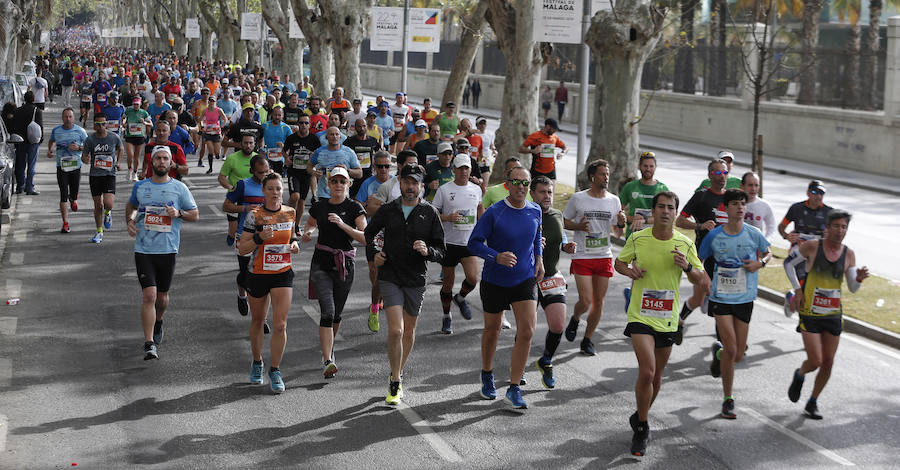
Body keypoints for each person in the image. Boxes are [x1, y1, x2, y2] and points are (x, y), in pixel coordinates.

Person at [614, 191, 707, 456]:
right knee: (647, 372)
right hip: (640, 315)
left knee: (656, 376)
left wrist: (687, 267)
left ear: (676, 213)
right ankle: (642, 427)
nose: (666, 211)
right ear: (653, 212)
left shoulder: (684, 244)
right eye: (661, 207)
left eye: (670, 208)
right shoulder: (638, 238)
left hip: (667, 319)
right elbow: (619, 263)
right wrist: (629, 271)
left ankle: (639, 414)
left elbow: (703, 280)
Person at [365, 164, 445, 405]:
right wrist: (376, 254)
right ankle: (396, 380)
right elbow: (369, 234)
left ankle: (397, 371)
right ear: (399, 183)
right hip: (390, 276)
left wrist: (427, 250)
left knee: (409, 331)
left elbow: (442, 251)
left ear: (422, 186)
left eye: (415, 183)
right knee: (396, 330)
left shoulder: (429, 213)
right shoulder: (389, 210)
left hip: (416, 279)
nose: (410, 187)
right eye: (406, 182)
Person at [468, 165, 543, 411]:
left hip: (524, 279)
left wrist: (539, 260)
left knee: (527, 331)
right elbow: (474, 244)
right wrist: (495, 256)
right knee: (493, 330)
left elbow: (536, 238)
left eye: (525, 183)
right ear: (507, 185)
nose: (521, 187)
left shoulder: (535, 210)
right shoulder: (494, 212)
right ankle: (487, 373)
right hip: (495, 279)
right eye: (516, 182)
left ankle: (514, 387)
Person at [786, 209, 868, 420]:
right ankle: (800, 374)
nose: (840, 231)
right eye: (836, 226)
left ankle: (813, 401)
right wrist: (797, 289)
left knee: (828, 362)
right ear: (827, 228)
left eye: (844, 227)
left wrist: (858, 279)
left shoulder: (848, 254)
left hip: (833, 314)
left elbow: (852, 287)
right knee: (815, 361)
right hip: (811, 312)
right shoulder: (813, 246)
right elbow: (789, 264)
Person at [697, 189, 771, 419]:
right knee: (732, 347)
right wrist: (705, 277)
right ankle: (728, 399)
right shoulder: (715, 236)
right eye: (735, 204)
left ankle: (719, 355)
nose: (740, 207)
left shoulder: (753, 233)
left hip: (745, 298)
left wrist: (760, 263)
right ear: (725, 208)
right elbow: (698, 260)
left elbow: (768, 253)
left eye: (743, 204)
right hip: (721, 298)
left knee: (738, 353)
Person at [126, 146, 199, 361]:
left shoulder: (179, 188)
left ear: (170, 163)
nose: (161, 161)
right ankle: (149, 343)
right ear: (151, 162)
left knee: (162, 297)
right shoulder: (141, 186)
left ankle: (159, 320)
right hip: (144, 249)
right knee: (149, 295)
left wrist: (179, 213)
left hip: (167, 249)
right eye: (157, 158)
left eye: (165, 158)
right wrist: (130, 221)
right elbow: (131, 206)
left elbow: (195, 215)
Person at [301, 167, 367, 379]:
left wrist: (342, 224)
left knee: (337, 313)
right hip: (321, 262)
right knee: (327, 312)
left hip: (344, 264)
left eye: (342, 181)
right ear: (328, 184)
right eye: (334, 181)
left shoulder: (354, 207)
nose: (338, 185)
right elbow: (310, 223)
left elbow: (365, 237)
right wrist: (308, 232)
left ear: (349, 184)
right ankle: (328, 358)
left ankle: (328, 350)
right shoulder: (320, 206)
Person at [238, 173, 300, 394]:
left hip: (282, 272)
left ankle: (275, 369)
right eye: (271, 188)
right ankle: (257, 362)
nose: (275, 192)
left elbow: (291, 236)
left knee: (280, 324)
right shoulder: (254, 216)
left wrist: (293, 244)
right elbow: (242, 248)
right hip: (258, 273)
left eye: (278, 188)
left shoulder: (290, 212)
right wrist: (258, 238)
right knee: (258, 321)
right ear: (263, 191)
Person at [562, 160, 626, 355]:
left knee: (599, 302)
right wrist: (579, 227)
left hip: (604, 255)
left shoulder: (613, 200)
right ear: (592, 177)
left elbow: (617, 229)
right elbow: (564, 221)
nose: (606, 177)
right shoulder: (578, 199)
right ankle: (575, 318)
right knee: (586, 300)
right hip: (582, 255)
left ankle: (587, 339)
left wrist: (622, 224)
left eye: (607, 174)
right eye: (602, 174)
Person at [674, 158, 730, 343]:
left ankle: (721, 343)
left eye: (724, 172)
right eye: (717, 172)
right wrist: (700, 226)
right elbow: (680, 220)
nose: (722, 176)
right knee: (700, 299)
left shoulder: (730, 198)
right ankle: (680, 322)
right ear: (709, 175)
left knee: (719, 300)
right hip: (703, 257)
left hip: (724, 259)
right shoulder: (702, 196)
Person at [530, 176, 576, 388]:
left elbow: (561, 237)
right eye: (542, 192)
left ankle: (546, 360)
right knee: (526, 329)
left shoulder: (557, 214)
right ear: (532, 193)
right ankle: (518, 366)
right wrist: (532, 244)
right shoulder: (525, 213)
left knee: (557, 326)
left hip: (551, 277)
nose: (547, 196)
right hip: (527, 279)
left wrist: (566, 246)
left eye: (550, 192)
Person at [432, 155, 485, 334]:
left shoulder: (476, 189)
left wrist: (483, 226)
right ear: (454, 169)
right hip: (449, 243)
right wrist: (447, 217)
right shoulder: (444, 190)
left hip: (468, 243)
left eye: (466, 168)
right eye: (460, 168)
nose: (463, 171)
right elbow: (433, 214)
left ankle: (461, 298)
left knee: (473, 278)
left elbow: (479, 208)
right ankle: (446, 316)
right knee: (447, 283)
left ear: (470, 170)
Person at [223, 155, 271, 325]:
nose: (264, 175)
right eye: (260, 173)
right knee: (245, 275)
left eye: (267, 171)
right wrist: (245, 208)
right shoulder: (242, 185)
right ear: (252, 171)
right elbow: (226, 205)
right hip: (245, 234)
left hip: (267, 235)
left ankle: (261, 317)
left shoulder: (272, 186)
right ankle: (242, 294)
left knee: (263, 276)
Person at [779, 180, 833, 316]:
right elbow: (781, 227)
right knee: (804, 287)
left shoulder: (829, 213)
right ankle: (805, 319)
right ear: (808, 193)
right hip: (799, 254)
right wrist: (787, 236)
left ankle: (792, 298)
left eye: (821, 193)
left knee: (814, 291)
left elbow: (833, 237)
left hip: (818, 255)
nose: (818, 196)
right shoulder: (796, 208)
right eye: (815, 192)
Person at [357, 150, 393, 332]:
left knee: (386, 272)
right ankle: (375, 305)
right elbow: (358, 206)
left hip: (392, 235)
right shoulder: (368, 184)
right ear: (374, 167)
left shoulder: (396, 184)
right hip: (373, 233)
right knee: (374, 271)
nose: (384, 170)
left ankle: (379, 295)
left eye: (387, 166)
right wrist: (367, 204)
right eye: (380, 166)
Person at [81, 114, 124, 244]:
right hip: (95, 175)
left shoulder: (113, 137)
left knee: (108, 203)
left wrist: (118, 163)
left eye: (102, 124)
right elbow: (84, 155)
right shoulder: (90, 139)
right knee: (97, 205)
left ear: (106, 124)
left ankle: (108, 213)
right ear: (94, 125)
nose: (100, 127)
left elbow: (120, 148)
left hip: (109, 175)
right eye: (98, 124)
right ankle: (99, 231)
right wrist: (85, 159)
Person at [47, 107, 88, 233]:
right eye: (65, 116)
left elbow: (88, 146)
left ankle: (73, 198)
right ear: (62, 118)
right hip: (61, 166)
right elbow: (51, 141)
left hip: (76, 166)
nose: (68, 119)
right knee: (63, 194)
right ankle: (65, 223)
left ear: (74, 118)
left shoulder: (80, 131)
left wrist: (79, 148)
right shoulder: (56, 131)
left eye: (70, 116)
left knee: (74, 193)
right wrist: (50, 150)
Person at [283, 114, 321, 233]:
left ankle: (296, 225)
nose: (303, 125)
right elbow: (284, 151)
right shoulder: (291, 138)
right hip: (293, 172)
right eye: (301, 123)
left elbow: (318, 153)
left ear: (309, 125)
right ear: (298, 124)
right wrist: (286, 158)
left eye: (306, 123)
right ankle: (287, 221)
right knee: (295, 196)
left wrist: (313, 156)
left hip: (306, 173)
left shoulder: (314, 139)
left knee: (302, 202)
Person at [619, 152, 669, 239]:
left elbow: (666, 217)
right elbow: (618, 212)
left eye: (651, 166)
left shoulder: (662, 189)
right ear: (639, 166)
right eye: (645, 166)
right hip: (633, 236)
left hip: (654, 237)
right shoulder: (630, 186)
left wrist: (645, 220)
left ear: (655, 167)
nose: (648, 169)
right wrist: (632, 219)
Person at [220, 134, 258, 246]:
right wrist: (231, 188)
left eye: (251, 143)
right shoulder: (232, 158)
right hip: (235, 197)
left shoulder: (257, 159)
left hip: (252, 196)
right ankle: (232, 236)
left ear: (255, 144)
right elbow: (221, 177)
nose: (248, 145)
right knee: (234, 230)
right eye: (245, 143)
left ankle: (247, 244)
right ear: (241, 144)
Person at [308, 127, 362, 200]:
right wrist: (314, 172)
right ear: (326, 137)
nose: (335, 137)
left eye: (337, 134)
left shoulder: (349, 152)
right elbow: (309, 166)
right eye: (332, 134)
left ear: (340, 136)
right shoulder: (319, 152)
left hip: (343, 195)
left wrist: (347, 170)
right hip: (324, 195)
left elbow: (359, 173)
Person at [12, 91, 43, 195]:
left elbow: (14, 126)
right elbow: (40, 127)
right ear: (33, 99)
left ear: (24, 99)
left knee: (20, 164)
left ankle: (20, 186)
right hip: (33, 141)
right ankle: (29, 187)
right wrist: (41, 139)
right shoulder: (36, 111)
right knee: (31, 165)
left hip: (20, 141)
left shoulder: (17, 111)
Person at [343, 118, 382, 199]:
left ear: (367, 126)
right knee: (353, 197)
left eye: (364, 126)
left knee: (367, 197)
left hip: (368, 174)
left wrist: (376, 168)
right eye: (359, 126)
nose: (362, 128)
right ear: (355, 127)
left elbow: (379, 154)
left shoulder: (372, 141)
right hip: (354, 175)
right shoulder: (349, 141)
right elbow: (343, 156)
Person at [519, 118, 566, 183]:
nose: (555, 131)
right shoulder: (535, 136)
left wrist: (562, 153)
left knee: (551, 191)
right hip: (537, 170)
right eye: (553, 129)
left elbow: (565, 148)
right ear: (547, 126)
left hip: (551, 170)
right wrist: (532, 151)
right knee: (536, 191)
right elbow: (521, 149)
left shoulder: (554, 137)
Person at [123, 97, 152, 181]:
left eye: (137, 105)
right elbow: (124, 119)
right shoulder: (128, 111)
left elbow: (151, 124)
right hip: (129, 135)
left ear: (140, 105)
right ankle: (129, 169)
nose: (136, 106)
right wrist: (124, 124)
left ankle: (135, 173)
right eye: (134, 104)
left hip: (139, 136)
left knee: (137, 156)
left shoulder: (144, 113)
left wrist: (144, 122)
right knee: (130, 155)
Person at [740, 172, 775, 239]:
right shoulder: (734, 203)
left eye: (756, 185)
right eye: (750, 185)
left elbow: (771, 226)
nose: (753, 189)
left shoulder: (765, 205)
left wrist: (767, 241)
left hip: (756, 245)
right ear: (742, 186)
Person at [200, 96, 229, 173]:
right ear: (208, 102)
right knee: (210, 150)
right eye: (210, 101)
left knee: (217, 153)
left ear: (215, 102)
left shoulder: (218, 110)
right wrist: (203, 125)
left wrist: (221, 126)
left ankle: (218, 154)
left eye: (213, 101)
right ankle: (210, 168)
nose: (212, 102)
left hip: (216, 132)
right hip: (208, 132)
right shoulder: (205, 111)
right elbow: (201, 119)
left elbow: (225, 118)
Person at [261, 107, 292, 176]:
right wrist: (262, 148)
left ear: (283, 115)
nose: (277, 117)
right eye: (275, 115)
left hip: (280, 159)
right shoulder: (265, 126)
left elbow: (292, 144)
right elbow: (259, 140)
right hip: (266, 158)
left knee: (278, 179)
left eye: (279, 115)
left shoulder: (286, 128)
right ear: (272, 114)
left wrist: (284, 146)